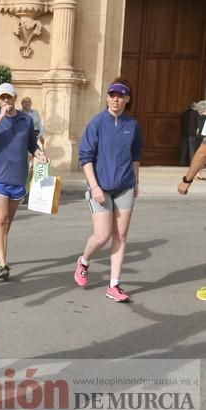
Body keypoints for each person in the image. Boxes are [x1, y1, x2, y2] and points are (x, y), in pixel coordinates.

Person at [75, 77, 143, 303]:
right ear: (107, 98)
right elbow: (85, 157)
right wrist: (94, 186)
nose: (116, 99)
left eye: (120, 95)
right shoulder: (97, 123)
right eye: (112, 95)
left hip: (124, 187)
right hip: (100, 187)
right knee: (103, 235)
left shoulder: (132, 126)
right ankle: (84, 261)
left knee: (121, 235)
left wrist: (136, 181)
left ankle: (114, 285)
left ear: (127, 99)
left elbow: (135, 156)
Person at [0, 83, 48, 280]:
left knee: (7, 221)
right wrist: (1, 116)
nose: (6, 101)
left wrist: (39, 154)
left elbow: (31, 144)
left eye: (9, 97)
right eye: (2, 98)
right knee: (0, 219)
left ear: (15, 98)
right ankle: (3, 263)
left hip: (18, 177)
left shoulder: (25, 120)